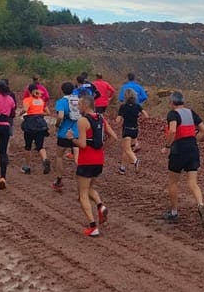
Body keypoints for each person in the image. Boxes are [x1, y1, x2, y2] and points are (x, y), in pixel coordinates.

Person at [66, 95, 117, 237]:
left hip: (86, 160)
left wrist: (72, 139)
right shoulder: (101, 118)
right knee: (90, 188)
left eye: (80, 104)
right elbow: (114, 137)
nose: (78, 107)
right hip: (98, 160)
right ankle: (101, 206)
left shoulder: (82, 120)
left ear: (86, 105)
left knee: (82, 194)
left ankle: (93, 226)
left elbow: (82, 144)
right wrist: (102, 148)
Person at [164, 91, 204, 226]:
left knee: (173, 182)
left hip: (178, 149)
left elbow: (172, 131)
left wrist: (167, 146)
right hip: (193, 149)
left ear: (172, 103)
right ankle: (200, 204)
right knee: (193, 183)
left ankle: (173, 212)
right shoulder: (191, 113)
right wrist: (194, 140)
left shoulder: (172, 114)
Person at [52, 82, 81, 192]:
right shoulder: (79, 101)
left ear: (62, 90)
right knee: (77, 159)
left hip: (64, 133)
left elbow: (60, 115)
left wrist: (57, 124)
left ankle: (59, 180)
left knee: (59, 156)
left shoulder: (61, 102)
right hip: (77, 133)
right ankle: (82, 183)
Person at [20, 83, 52, 176]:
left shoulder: (27, 100)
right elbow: (48, 113)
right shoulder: (41, 100)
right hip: (41, 124)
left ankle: (27, 167)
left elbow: (25, 109)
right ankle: (45, 159)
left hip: (30, 124)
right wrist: (39, 113)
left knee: (28, 146)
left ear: (29, 91)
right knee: (40, 146)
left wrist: (20, 113)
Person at [117, 72, 149, 150]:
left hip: (126, 108)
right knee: (134, 124)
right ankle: (134, 144)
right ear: (134, 78)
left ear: (127, 78)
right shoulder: (139, 87)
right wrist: (138, 101)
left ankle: (130, 148)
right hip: (136, 108)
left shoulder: (124, 87)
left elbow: (121, 98)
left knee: (126, 125)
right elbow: (145, 97)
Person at [115, 88, 143, 174]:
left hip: (126, 129)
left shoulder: (123, 106)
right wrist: (138, 116)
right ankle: (122, 168)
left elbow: (118, 120)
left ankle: (136, 161)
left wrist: (118, 118)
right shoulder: (137, 106)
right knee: (127, 149)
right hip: (135, 130)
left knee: (127, 149)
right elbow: (146, 114)